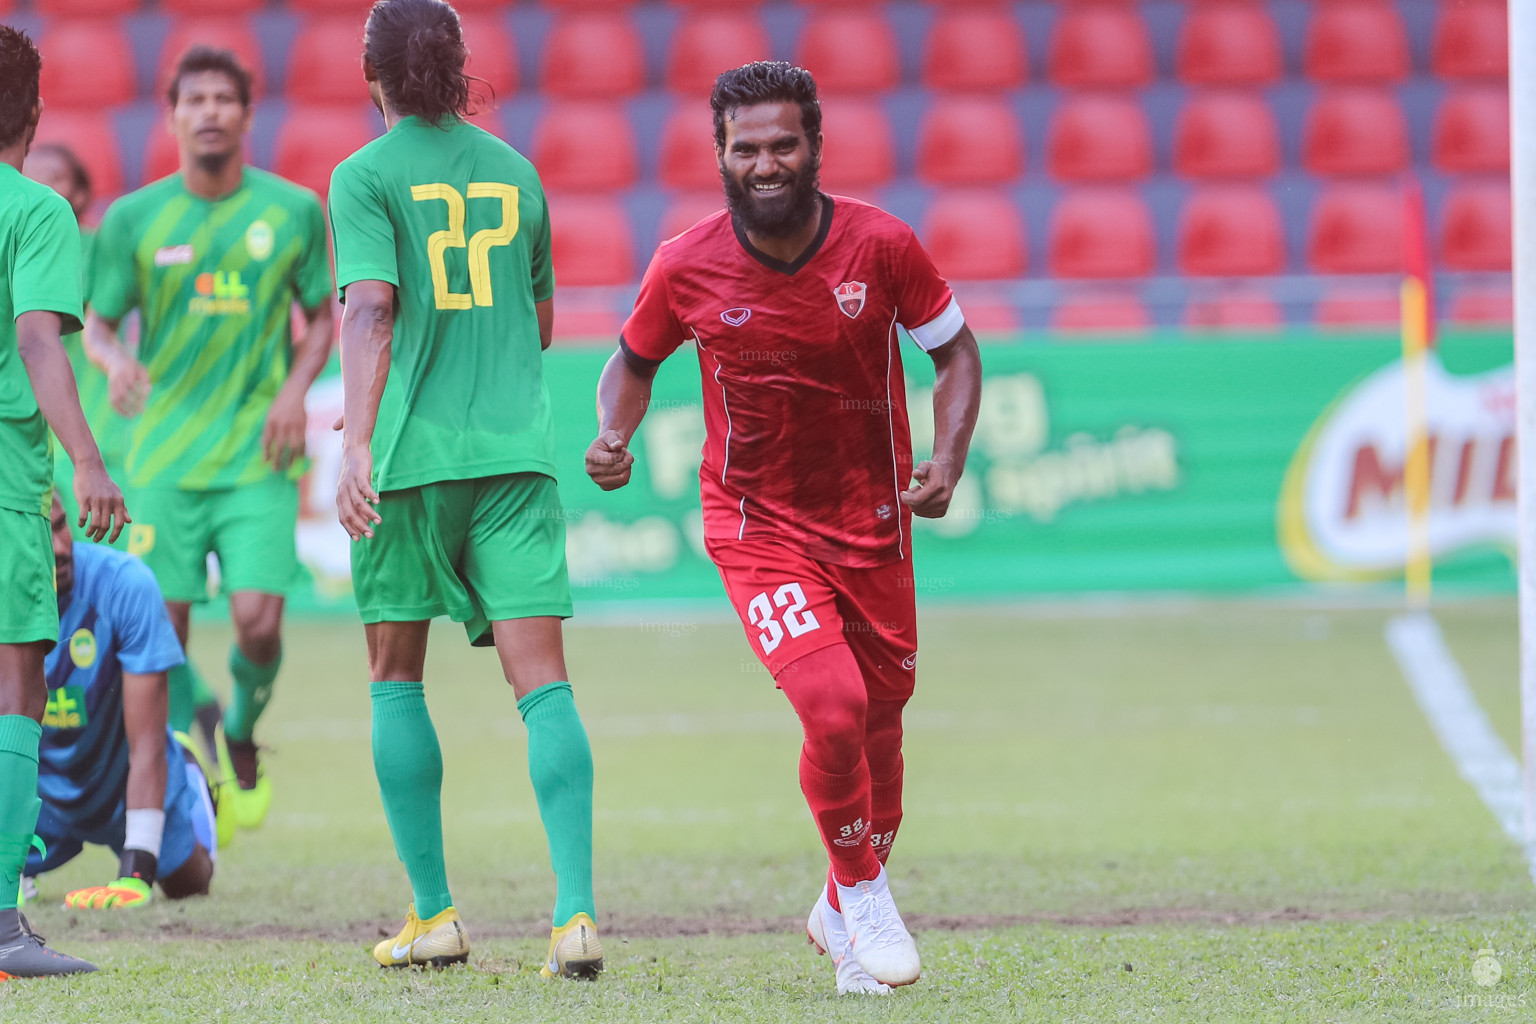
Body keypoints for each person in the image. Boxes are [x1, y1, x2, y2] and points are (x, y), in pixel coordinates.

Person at [585, 61, 983, 996]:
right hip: (756, 523)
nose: (765, 163)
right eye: (746, 148)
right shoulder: (686, 263)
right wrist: (613, 431)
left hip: (873, 522)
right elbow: (630, 362)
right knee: (834, 709)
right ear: (720, 155)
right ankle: (862, 891)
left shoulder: (881, 247)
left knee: (881, 731)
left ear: (814, 148)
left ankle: (840, 914)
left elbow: (956, 350)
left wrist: (950, 456)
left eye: (782, 145)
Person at [328, 0, 600, 978]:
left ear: (376, 78)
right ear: (455, 68)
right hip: (517, 457)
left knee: (396, 674)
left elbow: (369, 310)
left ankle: (435, 913)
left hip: (410, 463)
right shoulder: (518, 174)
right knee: (544, 684)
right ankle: (574, 916)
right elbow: (539, 322)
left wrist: (357, 440)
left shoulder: (362, 177)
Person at [84, 46, 336, 823]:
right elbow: (94, 323)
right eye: (195, 100)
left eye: (225, 98)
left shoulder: (291, 210)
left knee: (259, 620)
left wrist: (296, 390)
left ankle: (242, 727)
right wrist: (114, 356)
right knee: (163, 626)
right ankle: (194, 739)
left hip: (258, 452)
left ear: (246, 115)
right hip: (163, 455)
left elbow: (324, 316)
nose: (210, 112)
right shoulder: (134, 218)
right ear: (172, 116)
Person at [0, 24, 129, 978]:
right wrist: (86, 461)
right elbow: (41, 340)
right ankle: (4, 928)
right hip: (6, 474)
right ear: (33, 114)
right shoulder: (37, 210)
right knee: (14, 684)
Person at [25, 496, 217, 909]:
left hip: (121, 776)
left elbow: (146, 744)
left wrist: (137, 868)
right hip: (39, 786)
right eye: (43, 534)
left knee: (191, 886)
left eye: (61, 526)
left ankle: (189, 779)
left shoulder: (126, 583)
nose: (61, 547)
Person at [23, 145, 135, 557]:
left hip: (92, 434)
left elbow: (99, 325)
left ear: (83, 194)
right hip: (24, 435)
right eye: (28, 176)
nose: (40, 188)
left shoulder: (93, 249)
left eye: (54, 178)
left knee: (92, 564)